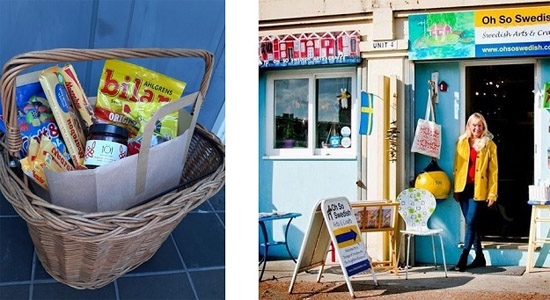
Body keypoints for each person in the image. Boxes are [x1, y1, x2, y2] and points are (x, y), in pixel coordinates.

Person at [452, 112, 498, 272]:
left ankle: (464, 257)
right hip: (463, 188)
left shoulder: (489, 145)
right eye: (474, 125)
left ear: (483, 127)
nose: (477, 128)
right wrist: (456, 188)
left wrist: (493, 193)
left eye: (480, 125)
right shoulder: (461, 142)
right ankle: (480, 257)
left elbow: (493, 171)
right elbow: (456, 166)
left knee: (471, 222)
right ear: (469, 126)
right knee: (473, 224)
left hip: (479, 189)